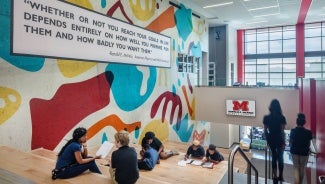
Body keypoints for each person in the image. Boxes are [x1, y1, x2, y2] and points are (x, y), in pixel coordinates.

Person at [263, 99, 287, 182]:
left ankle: (275, 176)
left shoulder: (266, 118)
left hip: (271, 139)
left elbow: (265, 131)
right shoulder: (282, 118)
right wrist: (284, 142)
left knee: (273, 157)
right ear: (279, 107)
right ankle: (281, 176)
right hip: (279, 139)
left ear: (271, 107)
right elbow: (282, 131)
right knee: (280, 158)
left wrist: (267, 140)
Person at [289, 113, 312, 184]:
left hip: (294, 151)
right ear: (304, 122)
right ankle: (300, 182)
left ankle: (297, 182)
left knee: (296, 167)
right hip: (304, 152)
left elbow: (290, 142)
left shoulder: (293, 131)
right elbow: (308, 144)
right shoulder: (308, 132)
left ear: (297, 121)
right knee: (302, 168)